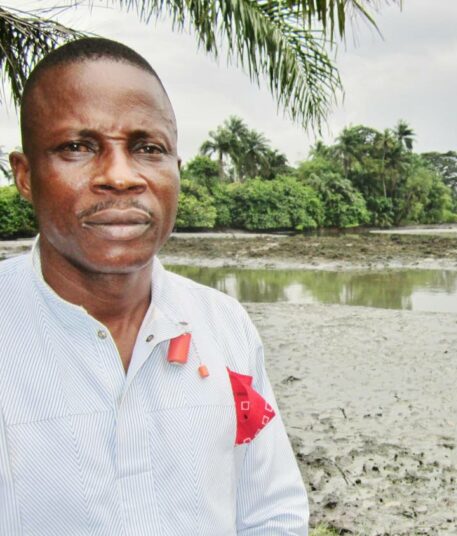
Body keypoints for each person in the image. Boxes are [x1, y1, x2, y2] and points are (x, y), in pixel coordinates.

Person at [0, 37, 308, 534]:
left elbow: (272, 511)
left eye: (148, 148)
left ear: (176, 171)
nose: (121, 177)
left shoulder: (225, 326)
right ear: (26, 175)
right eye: (77, 147)